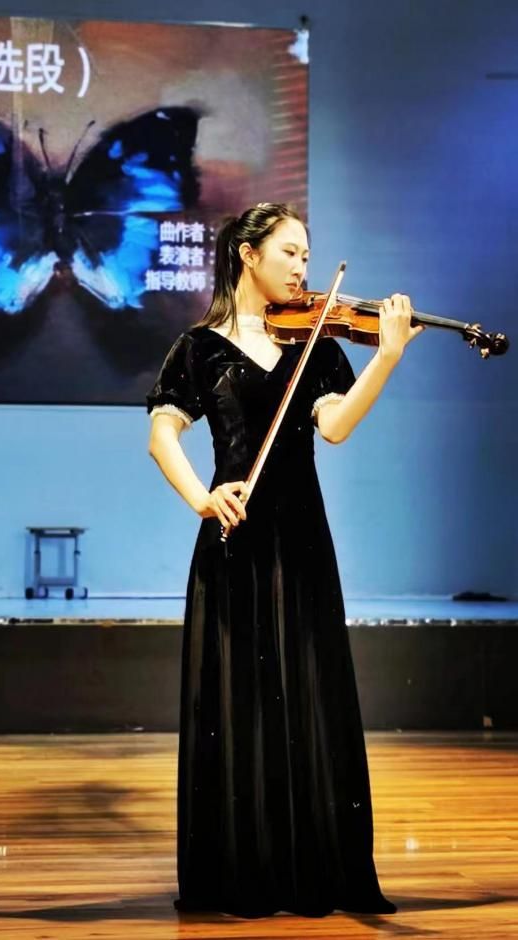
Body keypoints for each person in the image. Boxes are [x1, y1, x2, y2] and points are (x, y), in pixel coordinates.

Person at [146, 203, 423, 918]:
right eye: (290, 253)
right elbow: (162, 435)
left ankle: (313, 871)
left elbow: (335, 427)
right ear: (248, 254)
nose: (303, 268)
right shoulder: (199, 347)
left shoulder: (317, 345)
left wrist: (386, 358)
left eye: (307, 255)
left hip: (301, 541)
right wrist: (202, 498)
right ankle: (242, 872)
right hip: (234, 538)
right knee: (237, 702)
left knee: (309, 693)